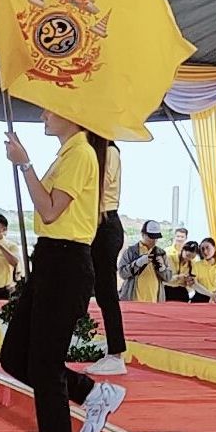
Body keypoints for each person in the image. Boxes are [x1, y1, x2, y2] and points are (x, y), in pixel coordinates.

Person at [0, 115, 126, 432]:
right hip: (50, 259)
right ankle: (92, 392)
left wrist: (24, 164)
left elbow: (51, 209)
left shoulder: (81, 153)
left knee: (44, 363)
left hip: (67, 262)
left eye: (49, 109)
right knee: (14, 357)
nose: (43, 115)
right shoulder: (69, 152)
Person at [86, 141, 128, 376]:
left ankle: (116, 353)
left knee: (106, 292)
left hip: (104, 223)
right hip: (95, 223)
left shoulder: (108, 151)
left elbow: (98, 186)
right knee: (94, 290)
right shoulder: (93, 149)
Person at [118, 221, 172, 303]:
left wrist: (162, 268)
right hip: (133, 299)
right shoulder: (131, 251)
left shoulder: (161, 253)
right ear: (143, 234)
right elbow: (122, 273)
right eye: (151, 237)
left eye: (156, 237)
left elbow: (168, 278)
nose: (154, 240)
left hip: (155, 300)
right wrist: (138, 263)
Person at [163, 226, 192, 302]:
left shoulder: (190, 254)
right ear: (174, 237)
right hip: (167, 288)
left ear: (186, 238)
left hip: (182, 289)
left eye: (182, 237)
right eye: (178, 236)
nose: (179, 239)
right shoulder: (166, 252)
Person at [192, 238, 216, 303]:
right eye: (202, 249)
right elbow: (194, 284)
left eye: (208, 248)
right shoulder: (196, 265)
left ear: (215, 248)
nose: (205, 252)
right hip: (199, 299)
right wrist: (211, 295)